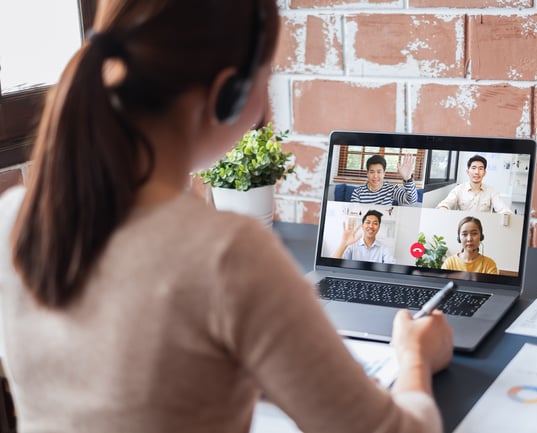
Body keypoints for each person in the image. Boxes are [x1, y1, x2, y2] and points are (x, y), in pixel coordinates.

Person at [0, 1, 453, 432]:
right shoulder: (226, 255)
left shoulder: (13, 220)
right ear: (228, 95)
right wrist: (415, 355)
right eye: (267, 75)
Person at [436, 154, 512, 214]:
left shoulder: (491, 191)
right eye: (473, 168)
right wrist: (443, 209)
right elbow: (445, 204)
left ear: (484, 173)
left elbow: (503, 209)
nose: (477, 172)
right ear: (468, 172)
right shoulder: (459, 189)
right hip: (463, 229)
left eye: (481, 168)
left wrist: (506, 213)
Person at [351, 153, 419, 205]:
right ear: (367, 173)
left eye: (379, 172)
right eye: (372, 172)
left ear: (384, 173)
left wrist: (408, 179)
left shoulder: (391, 189)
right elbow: (355, 214)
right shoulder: (358, 192)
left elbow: (411, 201)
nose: (375, 176)